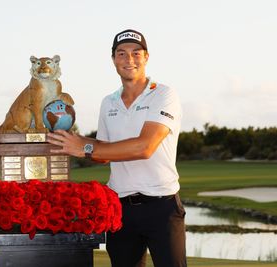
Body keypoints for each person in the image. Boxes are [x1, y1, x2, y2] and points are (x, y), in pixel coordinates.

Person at [47, 29, 186, 267]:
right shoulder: (108, 102)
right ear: (113, 60)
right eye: (121, 53)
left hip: (161, 206)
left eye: (135, 53)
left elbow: (145, 147)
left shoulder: (163, 94)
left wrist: (86, 148)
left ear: (146, 57)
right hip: (120, 208)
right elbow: (103, 152)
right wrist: (74, 142)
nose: (128, 59)